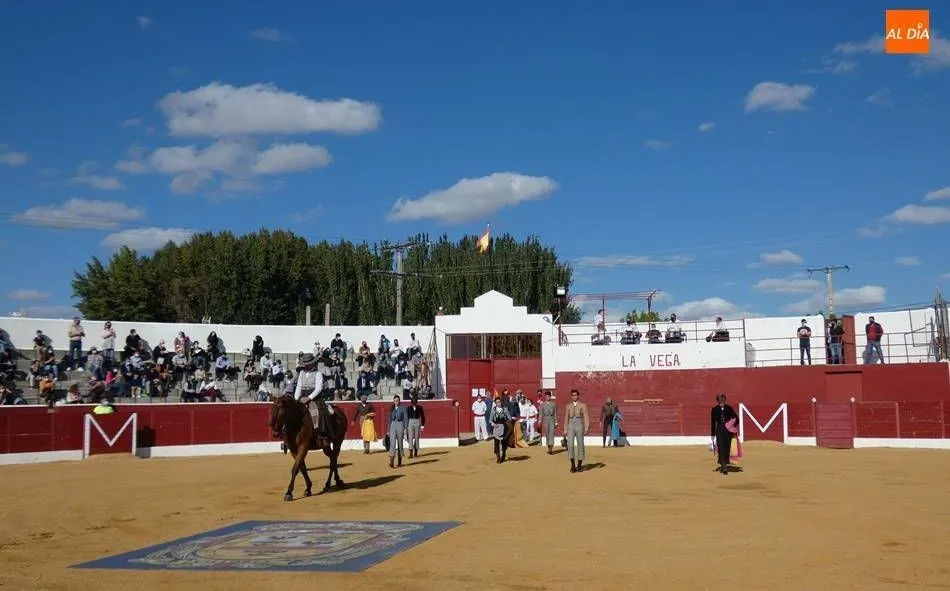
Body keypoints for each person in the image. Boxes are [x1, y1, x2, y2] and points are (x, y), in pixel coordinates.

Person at [294, 352, 331, 438]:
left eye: (308, 364)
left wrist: (309, 398)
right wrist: (296, 398)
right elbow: (299, 386)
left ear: (312, 363)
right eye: (305, 364)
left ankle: (321, 433)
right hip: (302, 397)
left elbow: (318, 389)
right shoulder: (302, 373)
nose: (306, 366)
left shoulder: (318, 373)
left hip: (315, 398)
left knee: (320, 411)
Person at [710, 394, 739, 475]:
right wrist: (712, 434)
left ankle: (724, 463)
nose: (721, 400)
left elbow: (736, 418)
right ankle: (724, 466)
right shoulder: (714, 409)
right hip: (719, 429)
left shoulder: (729, 408)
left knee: (726, 446)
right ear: (718, 400)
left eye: (723, 399)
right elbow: (713, 422)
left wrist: (732, 427)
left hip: (727, 429)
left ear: (725, 399)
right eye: (720, 399)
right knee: (720, 446)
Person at [563, 389, 590, 472]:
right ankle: (572, 465)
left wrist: (586, 427)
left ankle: (579, 465)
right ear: (571, 396)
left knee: (580, 444)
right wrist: (565, 429)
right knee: (570, 444)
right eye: (572, 395)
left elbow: (586, 416)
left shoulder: (583, 405)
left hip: (579, 424)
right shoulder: (568, 406)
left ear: (578, 396)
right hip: (570, 424)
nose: (574, 396)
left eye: (575, 395)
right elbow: (566, 418)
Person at [489, 396, 512, 463]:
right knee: (496, 443)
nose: (498, 403)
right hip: (496, 428)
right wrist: (493, 424)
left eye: (499, 402)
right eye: (497, 402)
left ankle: (504, 454)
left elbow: (509, 418)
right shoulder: (493, 410)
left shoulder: (505, 409)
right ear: (495, 403)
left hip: (504, 427)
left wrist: (507, 422)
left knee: (503, 442)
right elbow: (490, 420)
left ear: (501, 402)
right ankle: (498, 457)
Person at [388, 395, 407, 468]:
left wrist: (405, 428)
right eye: (395, 401)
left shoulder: (403, 408)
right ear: (393, 401)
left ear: (399, 401)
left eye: (397, 401)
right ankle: (391, 462)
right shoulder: (391, 408)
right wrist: (388, 431)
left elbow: (405, 418)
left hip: (400, 425)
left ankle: (399, 462)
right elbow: (389, 420)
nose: (396, 402)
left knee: (400, 444)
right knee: (392, 444)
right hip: (392, 425)